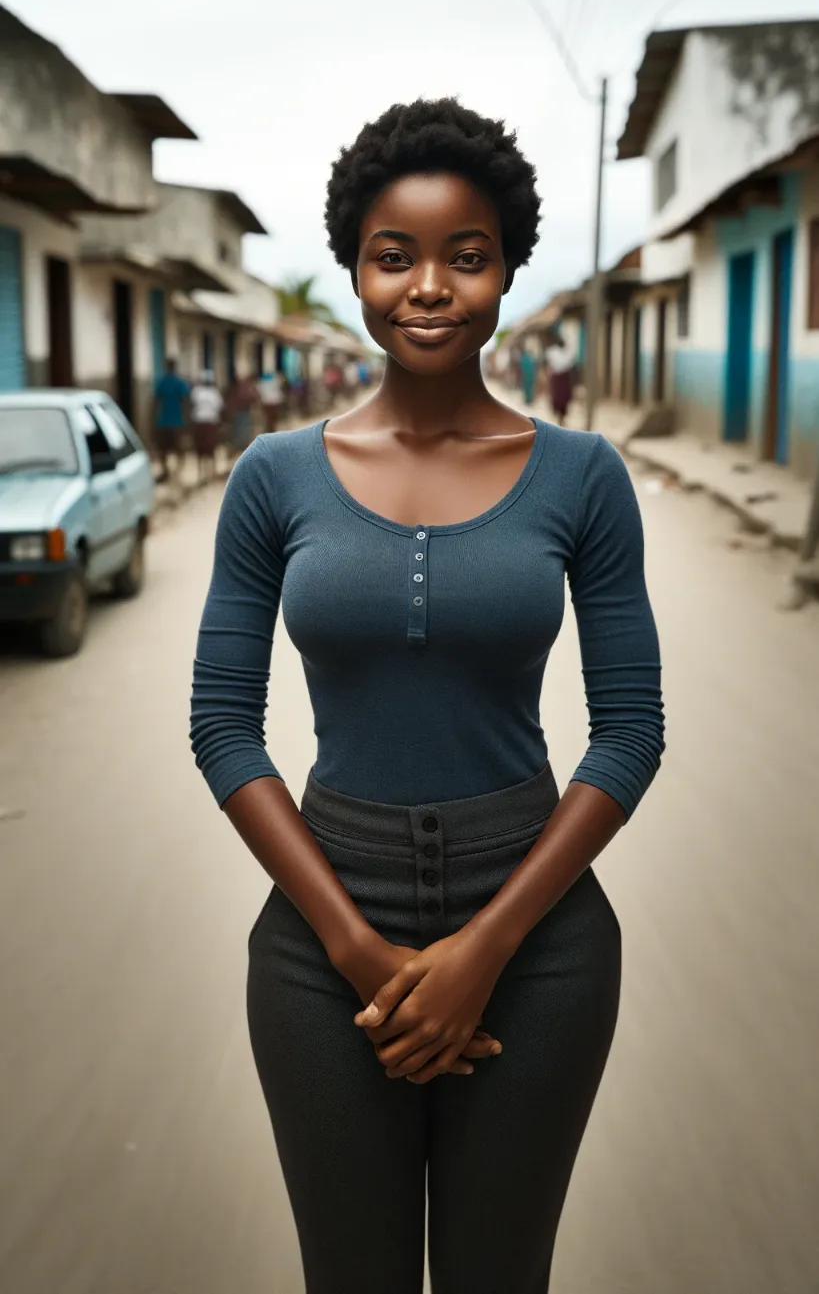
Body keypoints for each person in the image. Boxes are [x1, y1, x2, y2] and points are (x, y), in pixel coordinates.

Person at [190, 98, 665, 1294]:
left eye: (469, 254)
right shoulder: (274, 476)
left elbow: (632, 731)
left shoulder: (583, 478)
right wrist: (351, 944)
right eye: (394, 256)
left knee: (501, 1272)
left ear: (506, 269)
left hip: (540, 936)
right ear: (357, 268)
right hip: (319, 929)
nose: (431, 286)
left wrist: (486, 944)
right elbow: (220, 723)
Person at [153, 356, 190, 482]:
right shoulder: (180, 383)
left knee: (164, 448)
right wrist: (186, 419)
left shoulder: (162, 382)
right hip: (176, 421)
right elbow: (185, 402)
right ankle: (176, 472)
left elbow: (155, 401)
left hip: (164, 420)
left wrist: (154, 419)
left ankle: (167, 471)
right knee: (177, 448)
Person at [189, 370, 224, 483]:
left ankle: (201, 472)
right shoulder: (215, 393)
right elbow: (220, 407)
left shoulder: (196, 391)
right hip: (211, 422)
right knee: (211, 447)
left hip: (199, 422)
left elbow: (191, 404)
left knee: (200, 447)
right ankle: (212, 472)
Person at [545, 334, 578, 426]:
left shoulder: (569, 353)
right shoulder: (552, 352)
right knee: (556, 397)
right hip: (556, 379)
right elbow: (547, 365)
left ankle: (562, 418)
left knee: (564, 398)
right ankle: (558, 416)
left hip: (565, 379)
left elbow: (573, 367)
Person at [225, 368, 258, 456]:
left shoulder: (244, 388)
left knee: (242, 434)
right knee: (239, 434)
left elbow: (254, 398)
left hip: (243, 414)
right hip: (238, 415)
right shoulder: (240, 389)